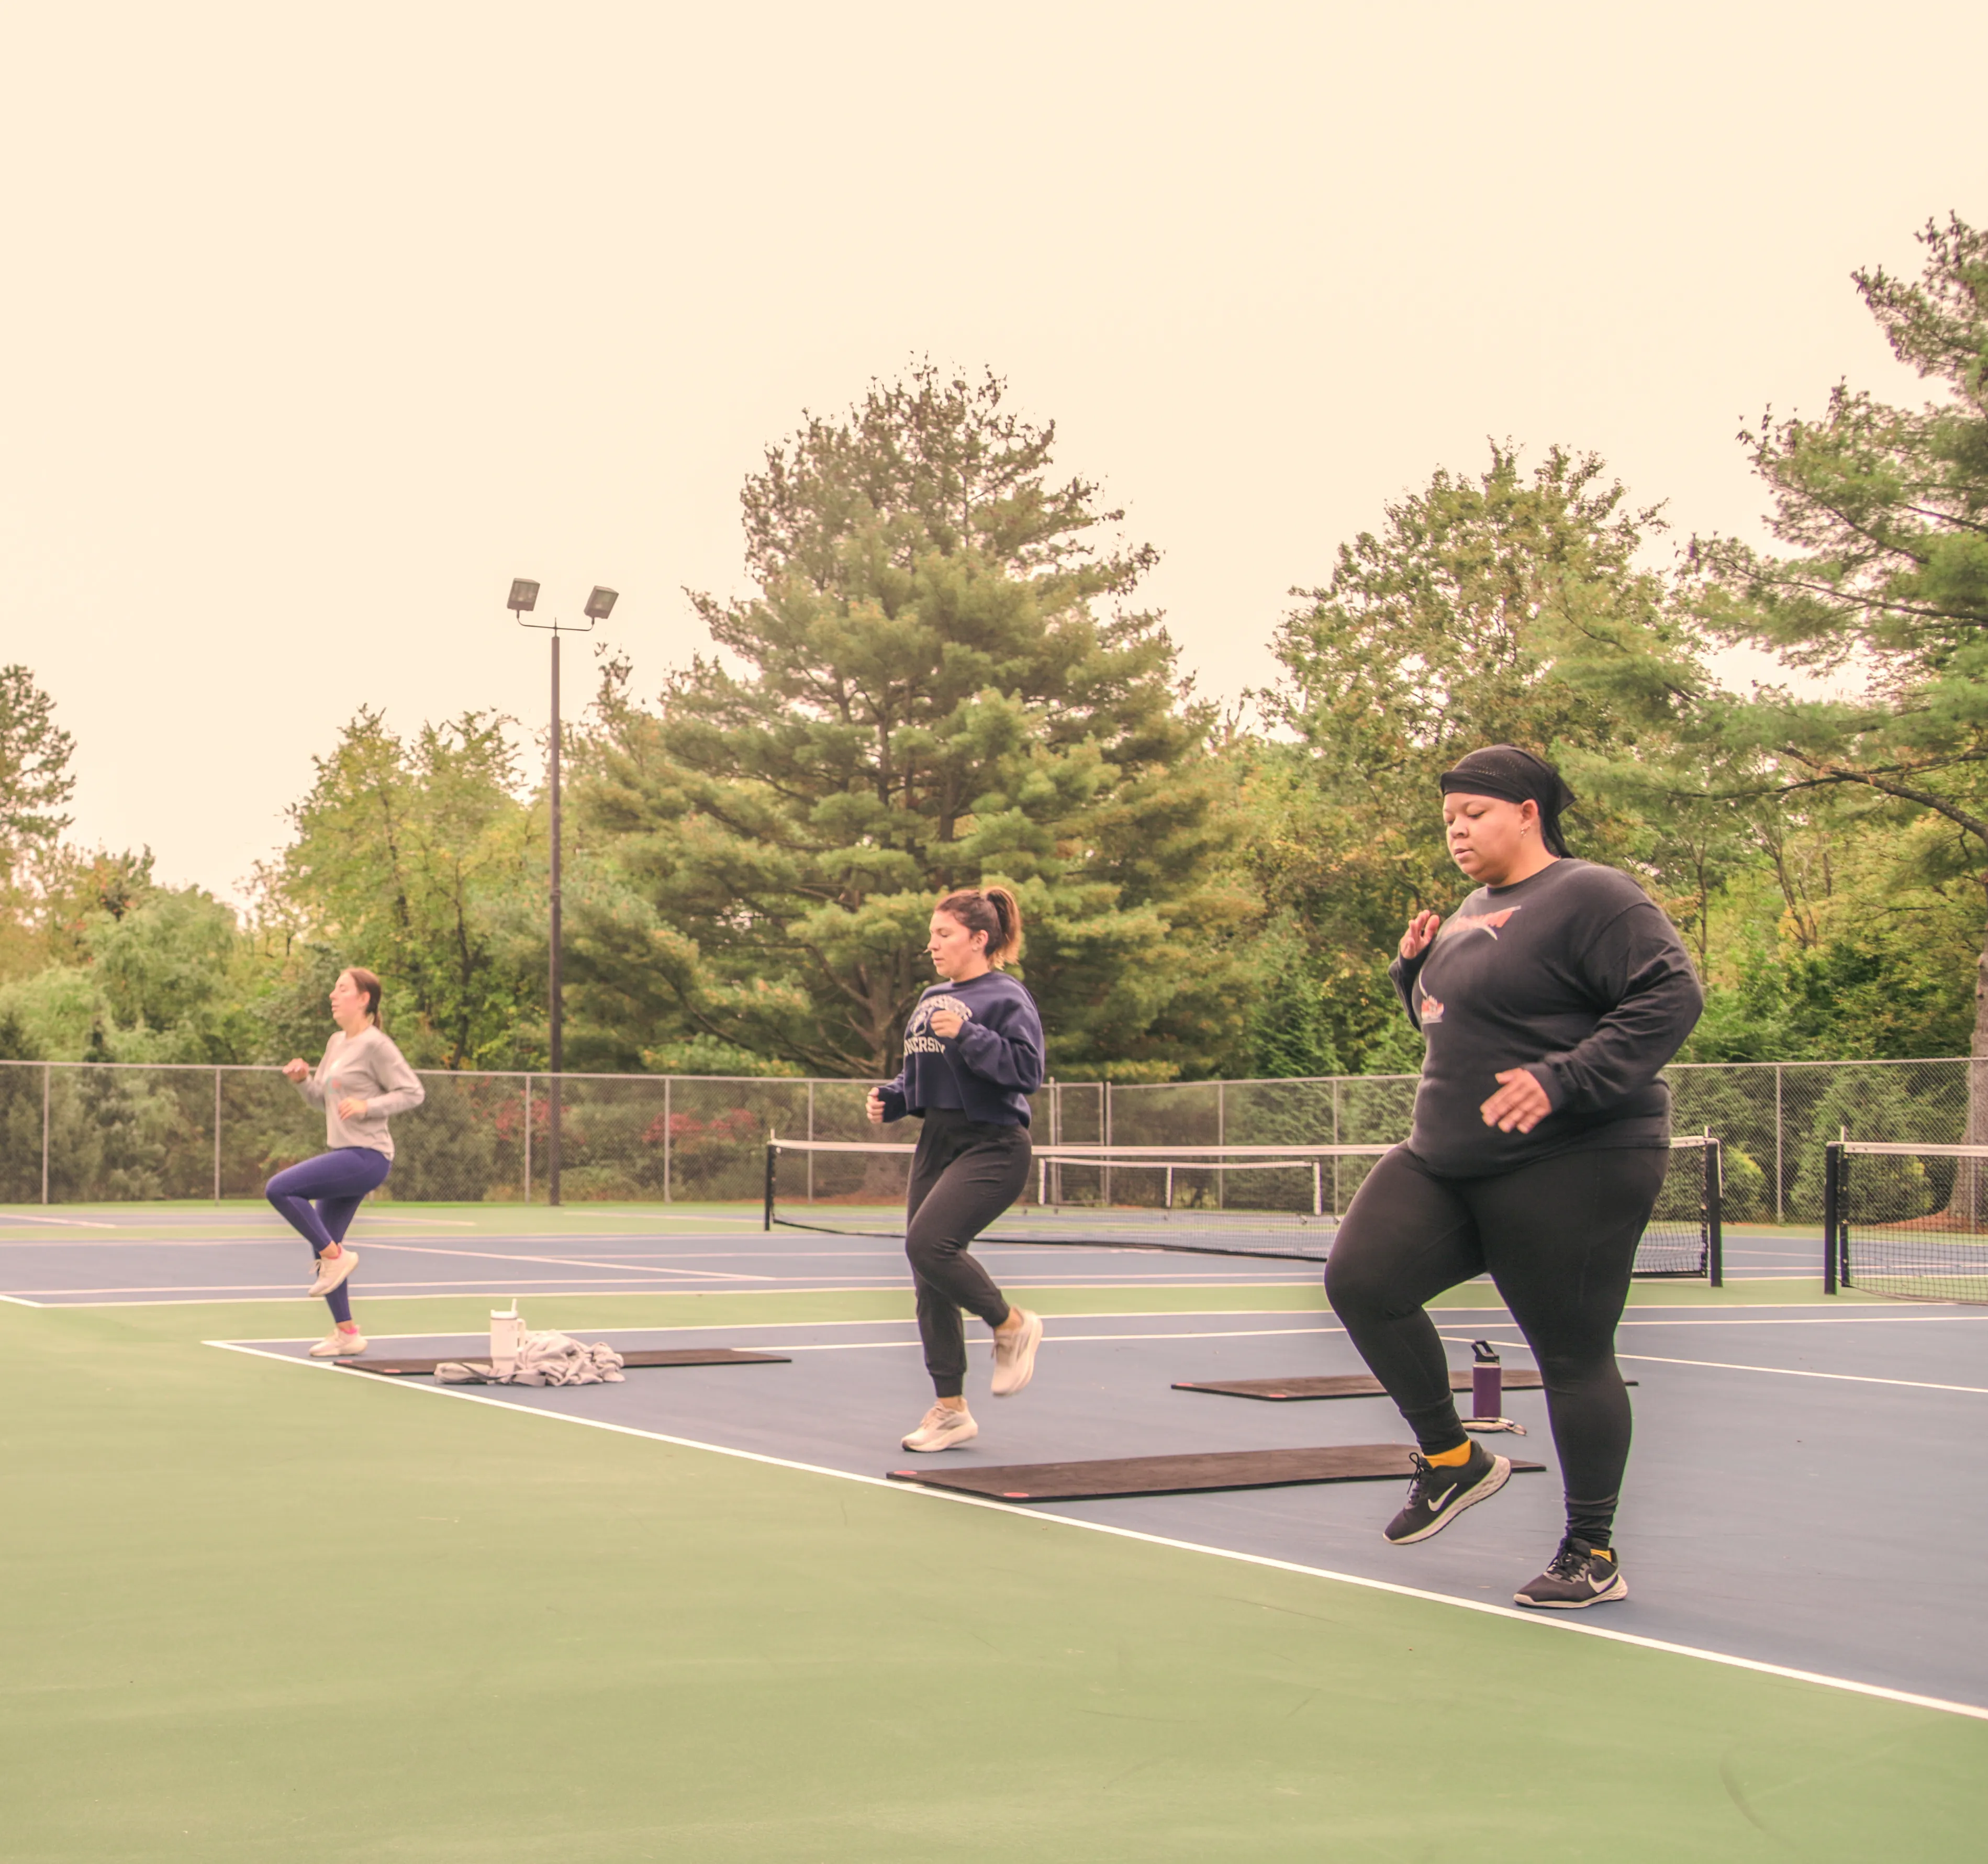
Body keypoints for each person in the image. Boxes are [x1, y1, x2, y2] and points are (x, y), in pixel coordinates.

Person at [1323, 746, 1703, 1608]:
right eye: (1448, 815)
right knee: (1360, 1282)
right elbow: (1462, 1026)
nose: (1456, 828)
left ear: (1527, 812)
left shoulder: (1592, 895)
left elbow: (1670, 994)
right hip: (1448, 1157)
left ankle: (1589, 1551)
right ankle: (1454, 1460)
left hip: (1575, 1160)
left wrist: (1564, 1076)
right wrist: (1408, 975)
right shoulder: (1468, 909)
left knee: (1569, 1355)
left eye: (1475, 812)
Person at [867, 886, 1046, 1452]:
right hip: (938, 1141)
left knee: (930, 1245)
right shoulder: (931, 996)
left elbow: (1027, 1070)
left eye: (943, 934)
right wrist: (893, 1099)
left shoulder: (1005, 996)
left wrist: (968, 1033)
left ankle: (1011, 1324)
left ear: (979, 938)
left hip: (993, 1144)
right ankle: (950, 1409)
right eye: (932, 935)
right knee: (929, 1278)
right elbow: (921, 1071)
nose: (933, 945)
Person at [267, 966, 426, 1358]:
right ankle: (347, 1333)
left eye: (342, 990)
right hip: (345, 1153)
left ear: (364, 999)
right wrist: (303, 1080)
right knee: (322, 1243)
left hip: (368, 1156)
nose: (332, 996)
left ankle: (338, 1258)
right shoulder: (336, 1042)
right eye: (334, 990)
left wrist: (369, 1105)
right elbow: (322, 1097)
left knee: (280, 1189)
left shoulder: (377, 1045)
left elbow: (413, 1092)